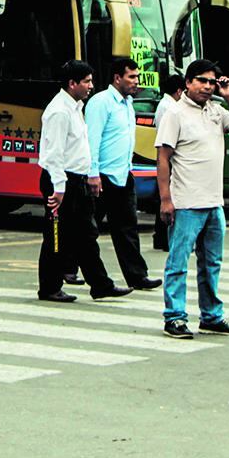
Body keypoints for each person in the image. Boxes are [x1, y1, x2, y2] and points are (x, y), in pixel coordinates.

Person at [155, 58, 229, 339]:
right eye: (201, 80)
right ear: (188, 83)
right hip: (187, 202)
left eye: (212, 82)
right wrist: (166, 199)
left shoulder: (216, 111)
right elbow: (163, 159)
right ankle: (174, 317)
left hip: (214, 202)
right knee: (178, 262)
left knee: (211, 262)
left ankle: (211, 315)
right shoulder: (175, 113)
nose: (207, 86)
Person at [35, 60, 133, 303]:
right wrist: (59, 188)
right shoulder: (59, 110)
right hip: (61, 181)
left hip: (77, 181)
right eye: (86, 81)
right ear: (72, 83)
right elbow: (54, 154)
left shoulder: (75, 106)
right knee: (56, 236)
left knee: (85, 234)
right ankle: (49, 287)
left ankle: (100, 284)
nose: (91, 86)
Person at [87, 56, 159, 290]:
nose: (136, 82)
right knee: (86, 228)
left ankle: (137, 276)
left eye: (137, 77)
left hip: (123, 174)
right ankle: (67, 269)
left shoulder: (128, 104)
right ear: (117, 78)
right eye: (132, 77)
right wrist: (93, 173)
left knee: (127, 227)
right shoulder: (101, 102)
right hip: (102, 176)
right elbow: (92, 140)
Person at [151, 75, 185, 252]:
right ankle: (164, 239)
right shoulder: (171, 107)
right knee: (167, 199)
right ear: (179, 91)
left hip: (166, 154)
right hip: (169, 156)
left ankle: (160, 237)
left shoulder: (164, 105)